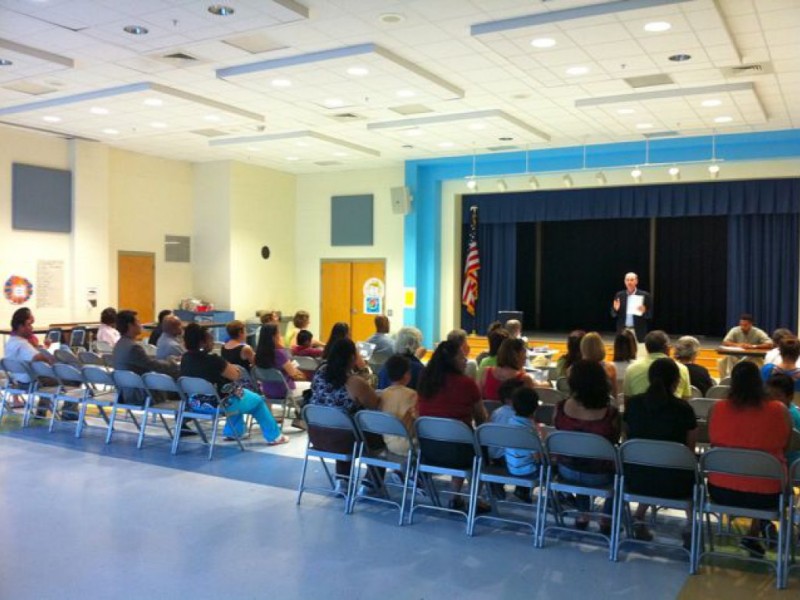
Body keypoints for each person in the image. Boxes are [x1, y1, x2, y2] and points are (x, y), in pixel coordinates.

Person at [708, 361, 792, 557]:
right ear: (759, 382)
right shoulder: (779, 410)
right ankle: (754, 532)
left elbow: (713, 444)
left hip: (721, 491)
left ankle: (753, 533)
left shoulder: (717, 409)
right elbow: (784, 447)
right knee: (767, 469)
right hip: (767, 496)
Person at [623, 358, 698, 542]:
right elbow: (689, 451)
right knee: (685, 469)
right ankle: (690, 524)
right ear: (676, 381)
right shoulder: (684, 409)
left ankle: (639, 517)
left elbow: (626, 442)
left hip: (635, 480)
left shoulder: (633, 405)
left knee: (651, 463)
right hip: (675, 485)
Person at [180, 324, 288, 446]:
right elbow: (235, 376)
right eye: (210, 339)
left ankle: (234, 432)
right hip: (218, 404)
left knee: (238, 395)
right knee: (257, 400)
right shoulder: (213, 359)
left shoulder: (185, 358)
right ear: (203, 342)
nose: (213, 341)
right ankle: (275, 436)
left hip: (195, 403)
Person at [417, 339, 488, 511]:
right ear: (452, 361)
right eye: (462, 357)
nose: (465, 360)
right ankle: (473, 499)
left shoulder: (425, 382)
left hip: (429, 450)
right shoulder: (467, 384)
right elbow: (481, 418)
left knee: (457, 438)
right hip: (458, 452)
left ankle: (455, 498)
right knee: (478, 448)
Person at [554, 359, 621, 533]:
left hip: (566, 470)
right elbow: (614, 440)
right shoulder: (610, 413)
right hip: (601, 475)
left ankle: (583, 514)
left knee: (579, 455)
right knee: (621, 471)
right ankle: (606, 518)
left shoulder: (560, 408)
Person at [308, 338, 380, 480]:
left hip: (316, 436)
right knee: (378, 434)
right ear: (353, 357)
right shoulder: (354, 382)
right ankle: (372, 481)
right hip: (343, 442)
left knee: (341, 423)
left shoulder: (320, 372)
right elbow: (374, 404)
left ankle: (343, 480)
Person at [112, 310, 178, 404]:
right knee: (178, 385)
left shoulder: (119, 345)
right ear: (130, 325)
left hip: (125, 391)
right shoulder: (133, 347)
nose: (141, 324)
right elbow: (152, 365)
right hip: (142, 394)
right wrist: (171, 363)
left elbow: (146, 362)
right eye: (138, 321)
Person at [254, 323, 309, 430]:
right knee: (309, 389)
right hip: (284, 391)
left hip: (267, 391)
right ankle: (300, 419)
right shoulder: (279, 354)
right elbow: (293, 373)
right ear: (274, 336)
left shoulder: (258, 354)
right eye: (278, 333)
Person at [4, 308, 55, 410]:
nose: (32, 328)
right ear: (20, 326)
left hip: (18, 382)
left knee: (47, 377)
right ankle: (69, 413)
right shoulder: (23, 344)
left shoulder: (10, 342)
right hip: (31, 383)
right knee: (71, 380)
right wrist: (55, 357)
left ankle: (42, 409)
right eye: (29, 325)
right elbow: (41, 358)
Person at [623, 330, 692, 403]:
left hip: (640, 412)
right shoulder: (682, 368)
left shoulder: (632, 368)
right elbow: (685, 399)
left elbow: (627, 399)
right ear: (667, 347)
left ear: (646, 347)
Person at [505, 386, 542, 503]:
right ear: (535, 408)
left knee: (521, 457)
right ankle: (559, 495)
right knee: (549, 466)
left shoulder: (509, 422)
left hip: (510, 467)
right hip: (528, 472)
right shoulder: (530, 430)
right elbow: (537, 457)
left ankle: (522, 490)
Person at [379, 354, 417, 455]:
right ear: (407, 375)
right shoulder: (411, 394)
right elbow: (418, 417)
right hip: (410, 444)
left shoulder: (383, 394)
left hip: (388, 443)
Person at [719, 313, 773, 378]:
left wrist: (753, 346)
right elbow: (725, 342)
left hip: (752, 356)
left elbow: (770, 344)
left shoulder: (758, 332)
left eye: (745, 325)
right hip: (737, 355)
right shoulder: (735, 330)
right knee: (724, 360)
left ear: (751, 324)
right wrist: (738, 345)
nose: (742, 327)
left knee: (755, 360)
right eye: (741, 325)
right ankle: (729, 378)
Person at [765, 373, 800, 466]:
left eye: (778, 395)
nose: (772, 399)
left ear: (790, 397)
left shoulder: (788, 415)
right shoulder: (791, 409)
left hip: (789, 464)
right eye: (769, 395)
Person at [611, 272, 652, 342]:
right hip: (623, 330)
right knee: (623, 352)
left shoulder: (645, 295)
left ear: (636, 281)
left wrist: (644, 311)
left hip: (638, 331)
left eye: (632, 280)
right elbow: (613, 314)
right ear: (624, 281)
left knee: (640, 351)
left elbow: (650, 315)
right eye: (627, 280)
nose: (629, 282)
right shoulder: (619, 295)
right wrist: (615, 309)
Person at [579, 332, 617, 397]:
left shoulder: (574, 369)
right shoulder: (610, 368)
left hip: (581, 405)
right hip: (603, 405)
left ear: (583, 347)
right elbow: (614, 395)